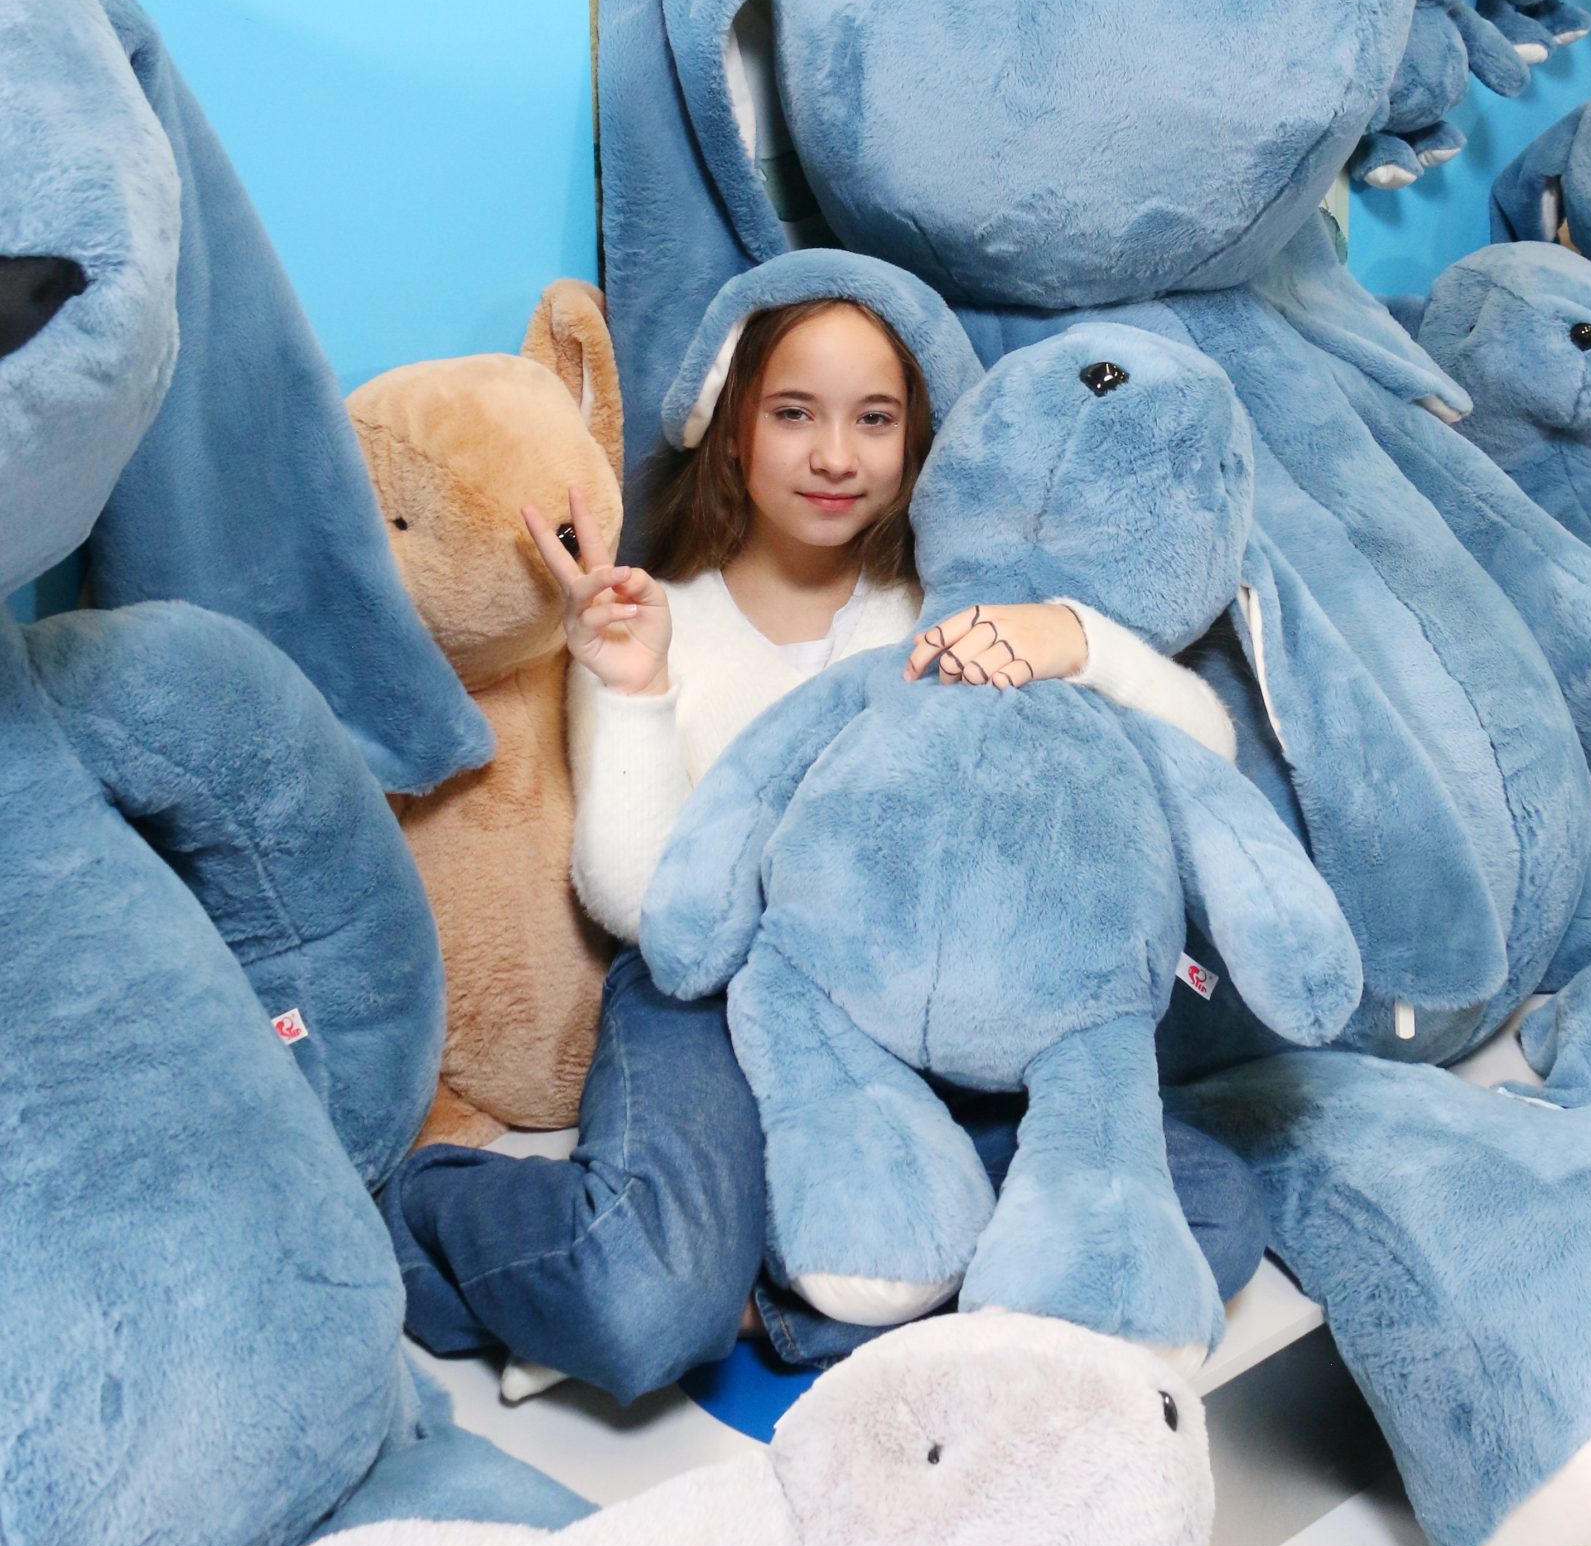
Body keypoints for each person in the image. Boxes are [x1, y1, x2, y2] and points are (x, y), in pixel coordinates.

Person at [379, 255, 1265, 1407]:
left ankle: (763, 1298)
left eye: (874, 419)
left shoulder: (954, 601)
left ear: (917, 436)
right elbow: (640, 904)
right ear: (731, 428)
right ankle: (439, 1221)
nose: (835, 455)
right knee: (640, 1302)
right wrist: (637, 691)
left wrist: (1078, 643)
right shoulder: (653, 616)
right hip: (713, 994)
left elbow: (1199, 752)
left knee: (1209, 1218)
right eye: (793, 413)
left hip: (921, 1003)